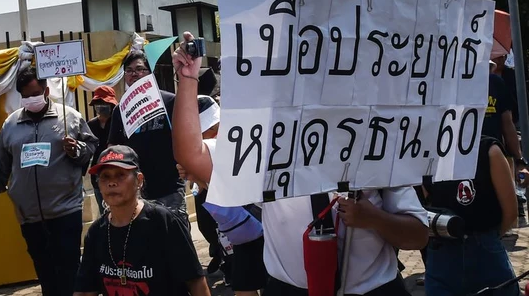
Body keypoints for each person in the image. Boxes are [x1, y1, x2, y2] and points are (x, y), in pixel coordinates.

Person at [171, 32, 429, 296]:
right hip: (289, 289)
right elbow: (191, 155)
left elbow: (419, 234)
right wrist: (189, 79)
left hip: (374, 289)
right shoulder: (264, 147)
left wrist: (376, 218)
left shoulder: (377, 146)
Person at [0, 65, 99, 296]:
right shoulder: (10, 125)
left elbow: (91, 149)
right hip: (29, 215)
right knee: (44, 270)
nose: (31, 99)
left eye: (35, 94)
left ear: (46, 91)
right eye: (26, 96)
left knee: (68, 269)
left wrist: (77, 150)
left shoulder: (70, 117)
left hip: (65, 210)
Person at [75, 145, 210, 296]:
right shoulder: (96, 232)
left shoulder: (163, 222)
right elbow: (85, 290)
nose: (112, 183)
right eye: (105, 176)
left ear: (139, 180)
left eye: (120, 175)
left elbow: (195, 281)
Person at [187, 95, 267, 296]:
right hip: (239, 232)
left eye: (212, 130)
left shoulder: (246, 140)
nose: (211, 137)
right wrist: (198, 177)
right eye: (204, 133)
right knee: (245, 285)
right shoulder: (205, 152)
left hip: (261, 223)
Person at [108, 51, 194, 230]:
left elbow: (186, 136)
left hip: (169, 186)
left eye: (140, 69)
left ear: (150, 73)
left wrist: (186, 163)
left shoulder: (169, 101)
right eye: (129, 70)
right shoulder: (120, 110)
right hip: (136, 191)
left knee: (177, 239)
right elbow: (114, 148)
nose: (134, 74)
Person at [424, 135, 519, 296]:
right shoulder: (426, 152)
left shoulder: (489, 150)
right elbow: (429, 203)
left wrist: (488, 238)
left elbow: (511, 212)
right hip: (442, 254)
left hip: (485, 253)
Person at [87, 85, 118, 214]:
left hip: (117, 172)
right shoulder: (91, 125)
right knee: (104, 212)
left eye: (104, 103)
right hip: (98, 175)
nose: (101, 106)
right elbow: (86, 149)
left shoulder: (118, 122)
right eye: (98, 103)